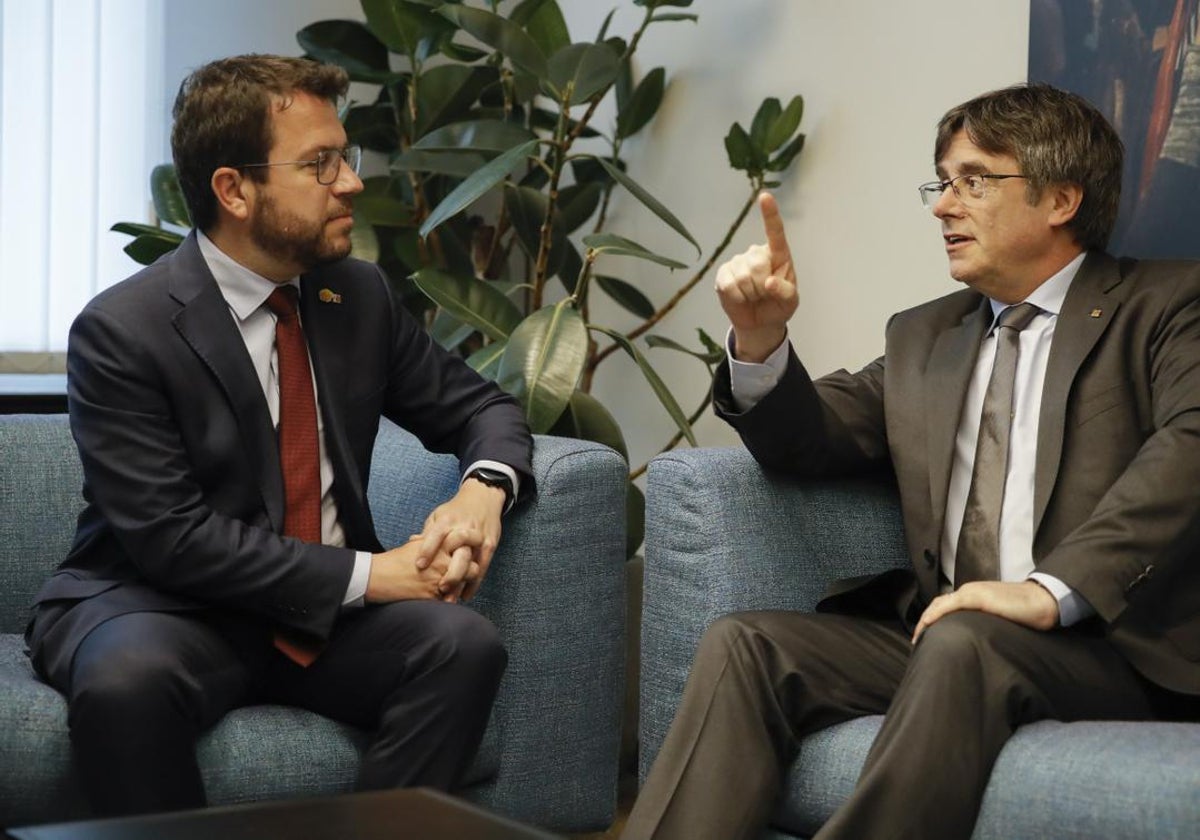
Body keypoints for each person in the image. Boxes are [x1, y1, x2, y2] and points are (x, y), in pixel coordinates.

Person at [623, 83, 1200, 840]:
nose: (942, 206)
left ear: (1061, 199)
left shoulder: (1167, 305)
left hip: (1112, 650)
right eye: (943, 182)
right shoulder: (927, 336)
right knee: (749, 643)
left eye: (974, 181)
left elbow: (1188, 447)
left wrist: (1051, 590)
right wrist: (760, 343)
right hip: (950, 637)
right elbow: (814, 438)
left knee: (968, 639)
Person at [24, 54, 534, 818]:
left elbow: (483, 408)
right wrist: (376, 576)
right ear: (234, 189)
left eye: (345, 158)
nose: (353, 183)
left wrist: (482, 492)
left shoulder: (354, 296)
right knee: (127, 682)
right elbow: (172, 539)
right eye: (321, 164)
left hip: (320, 624)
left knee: (463, 647)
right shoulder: (123, 331)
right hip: (164, 608)